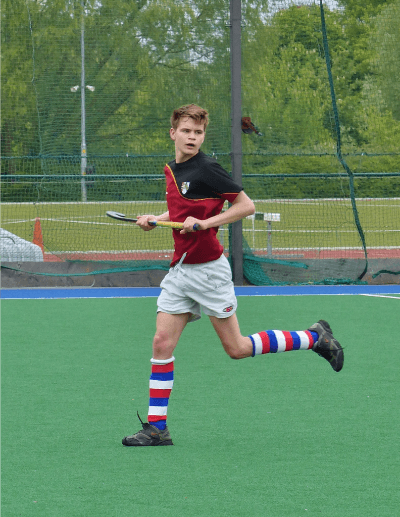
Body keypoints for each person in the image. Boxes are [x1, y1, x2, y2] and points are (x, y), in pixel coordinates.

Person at [122, 104, 344, 447]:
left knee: (237, 348)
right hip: (181, 269)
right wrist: (156, 218)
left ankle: (314, 338)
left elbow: (246, 205)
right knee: (161, 343)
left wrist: (207, 224)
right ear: (173, 133)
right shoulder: (174, 169)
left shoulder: (208, 168)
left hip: (209, 272)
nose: (192, 137)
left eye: (198, 132)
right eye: (186, 131)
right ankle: (156, 428)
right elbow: (184, 210)